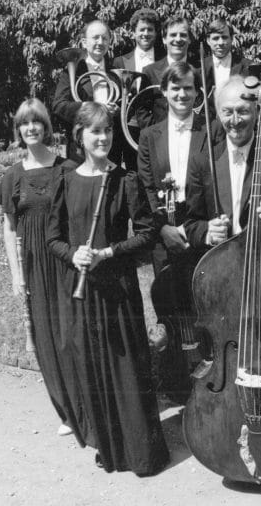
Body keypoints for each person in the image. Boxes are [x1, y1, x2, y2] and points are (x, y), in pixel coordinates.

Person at [46, 102, 170, 476]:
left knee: (126, 366)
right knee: (93, 364)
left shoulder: (124, 180)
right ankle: (110, 449)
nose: (103, 138)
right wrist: (74, 255)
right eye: (95, 131)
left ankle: (140, 453)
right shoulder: (65, 180)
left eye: (108, 131)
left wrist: (107, 252)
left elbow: (148, 235)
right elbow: (52, 238)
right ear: (79, 137)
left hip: (117, 287)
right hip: (81, 286)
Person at [135, 62, 224, 400]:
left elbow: (219, 182)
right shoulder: (149, 135)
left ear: (197, 92)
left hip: (201, 222)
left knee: (204, 301)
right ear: (165, 92)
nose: (182, 94)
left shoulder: (211, 129)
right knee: (169, 302)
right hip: (165, 225)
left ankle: (213, 379)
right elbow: (146, 188)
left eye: (188, 88)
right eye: (175, 88)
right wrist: (164, 230)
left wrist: (200, 228)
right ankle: (178, 384)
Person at [0, 99, 75, 437]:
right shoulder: (12, 176)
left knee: (71, 335)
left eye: (37, 122)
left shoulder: (67, 168)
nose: (31, 128)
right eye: (24, 124)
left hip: (64, 262)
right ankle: (66, 412)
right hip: (34, 265)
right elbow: (9, 228)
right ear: (18, 131)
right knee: (45, 339)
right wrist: (16, 274)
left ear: (46, 127)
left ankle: (85, 404)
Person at [182, 76, 261, 250]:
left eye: (242, 111)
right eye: (227, 112)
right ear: (218, 114)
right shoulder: (202, 161)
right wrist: (208, 232)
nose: (235, 120)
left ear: (256, 111)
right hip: (221, 264)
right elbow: (191, 223)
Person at [52, 20, 125, 165]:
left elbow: (124, 104)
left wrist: (118, 110)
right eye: (95, 37)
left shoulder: (116, 71)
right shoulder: (73, 72)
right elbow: (58, 105)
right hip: (81, 150)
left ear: (110, 42)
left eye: (105, 38)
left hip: (111, 149)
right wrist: (86, 107)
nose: (100, 42)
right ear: (84, 42)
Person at [139, 15, 193, 131]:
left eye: (183, 35)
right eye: (173, 35)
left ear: (189, 39)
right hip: (161, 140)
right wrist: (156, 134)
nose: (178, 39)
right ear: (164, 39)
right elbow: (142, 110)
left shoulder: (200, 70)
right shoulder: (150, 72)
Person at [201, 18, 252, 95]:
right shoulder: (199, 68)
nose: (220, 43)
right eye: (215, 38)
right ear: (208, 41)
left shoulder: (248, 66)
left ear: (231, 39)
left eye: (224, 37)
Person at [112, 8, 162, 80]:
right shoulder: (119, 62)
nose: (146, 34)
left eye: (150, 30)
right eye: (142, 30)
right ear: (133, 33)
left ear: (155, 33)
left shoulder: (166, 60)